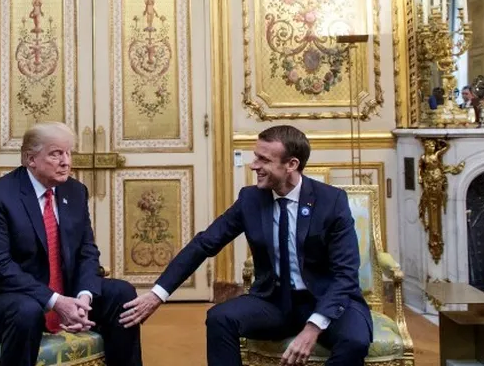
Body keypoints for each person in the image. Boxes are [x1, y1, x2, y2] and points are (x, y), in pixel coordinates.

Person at [120, 125, 372, 366]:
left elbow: (345, 274)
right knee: (220, 318)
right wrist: (157, 294)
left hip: (325, 298)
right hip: (274, 301)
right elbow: (205, 243)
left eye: (264, 160)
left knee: (355, 341)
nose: (254, 166)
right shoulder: (250, 199)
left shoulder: (331, 201)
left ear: (291, 165)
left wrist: (313, 326)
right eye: (255, 157)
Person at [0, 122, 142, 366]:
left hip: (65, 290)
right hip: (7, 297)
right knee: (27, 311)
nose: (66, 161)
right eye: (56, 154)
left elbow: (87, 250)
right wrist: (55, 301)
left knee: (122, 294)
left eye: (69, 153)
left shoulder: (75, 191)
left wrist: (83, 298)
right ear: (31, 159)